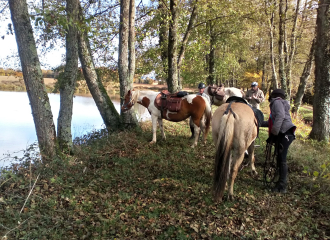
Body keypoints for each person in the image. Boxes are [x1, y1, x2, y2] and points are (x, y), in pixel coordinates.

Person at [262, 89, 296, 193]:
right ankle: (279, 182)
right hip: (285, 133)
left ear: (274, 96)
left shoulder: (276, 102)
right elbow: (273, 121)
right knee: (279, 157)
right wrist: (258, 123)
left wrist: (274, 132)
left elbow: (280, 116)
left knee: (282, 159)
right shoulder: (279, 103)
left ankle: (282, 186)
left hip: (284, 133)